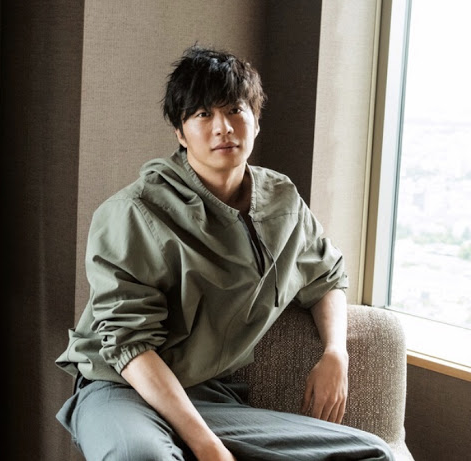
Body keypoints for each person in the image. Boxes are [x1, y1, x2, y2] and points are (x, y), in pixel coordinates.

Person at [56, 45, 394, 461]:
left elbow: (327, 277)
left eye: (235, 110)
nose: (223, 128)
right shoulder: (133, 212)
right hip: (122, 391)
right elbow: (129, 346)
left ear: (256, 121)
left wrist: (335, 353)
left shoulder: (282, 200)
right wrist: (207, 446)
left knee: (373, 454)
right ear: (180, 133)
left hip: (207, 397)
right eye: (203, 114)